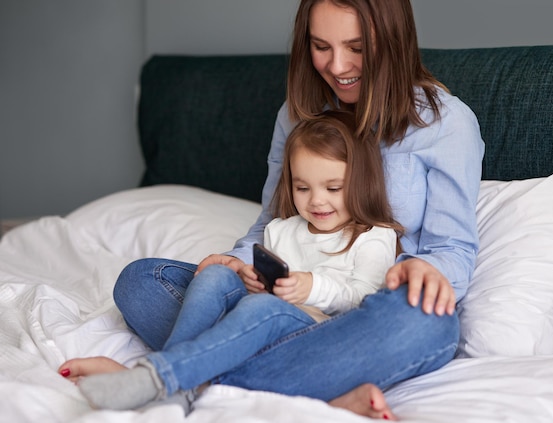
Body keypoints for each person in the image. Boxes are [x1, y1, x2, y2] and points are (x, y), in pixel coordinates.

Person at [58, 0, 484, 420]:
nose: (337, 66)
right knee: (142, 280)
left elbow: (453, 250)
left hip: (369, 312)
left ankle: (171, 377)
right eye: (321, 46)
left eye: (356, 47)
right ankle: (317, 390)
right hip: (283, 307)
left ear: (394, 41)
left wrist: (424, 270)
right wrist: (236, 263)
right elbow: (270, 224)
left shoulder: (445, 125)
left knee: (428, 325)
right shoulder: (297, 116)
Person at [70, 110, 403, 412]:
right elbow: (261, 299)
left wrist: (310, 287)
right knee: (215, 277)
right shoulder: (281, 231)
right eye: (303, 188)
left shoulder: (374, 236)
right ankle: (184, 382)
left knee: (262, 310)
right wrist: (252, 281)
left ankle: (162, 378)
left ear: (361, 182)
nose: (316, 200)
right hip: (259, 333)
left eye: (333, 187)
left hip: (317, 339)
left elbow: (366, 299)